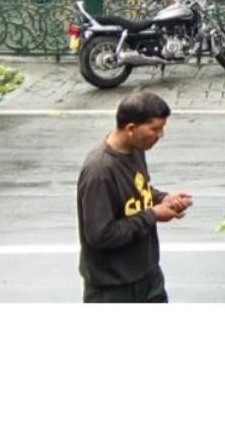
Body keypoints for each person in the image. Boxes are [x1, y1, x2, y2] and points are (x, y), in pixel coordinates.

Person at [76, 91, 193, 303]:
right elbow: (101, 236)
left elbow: (138, 190)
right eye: (155, 129)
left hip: (148, 276)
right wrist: (152, 215)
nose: (161, 135)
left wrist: (163, 199)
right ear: (131, 129)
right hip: (113, 289)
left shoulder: (135, 149)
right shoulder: (99, 171)